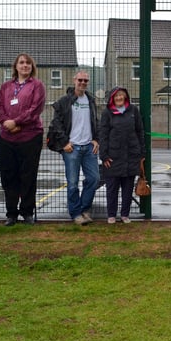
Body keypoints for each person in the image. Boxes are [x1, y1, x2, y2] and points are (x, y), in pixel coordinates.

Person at [0, 53, 46, 226]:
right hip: (7, 138)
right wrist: (6, 123)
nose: (25, 65)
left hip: (30, 137)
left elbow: (34, 109)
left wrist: (16, 122)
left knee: (28, 176)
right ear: (15, 66)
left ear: (32, 67)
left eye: (28, 63)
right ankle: (11, 214)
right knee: (9, 176)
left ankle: (27, 212)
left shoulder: (37, 86)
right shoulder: (5, 87)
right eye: (21, 63)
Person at [48, 70, 100, 225]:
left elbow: (95, 121)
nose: (83, 83)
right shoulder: (65, 101)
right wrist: (65, 143)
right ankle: (76, 213)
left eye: (85, 80)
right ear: (74, 80)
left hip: (89, 147)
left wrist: (96, 139)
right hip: (72, 148)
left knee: (94, 179)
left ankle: (84, 209)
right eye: (80, 80)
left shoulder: (90, 100)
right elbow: (56, 123)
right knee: (72, 183)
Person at [98, 86, 145, 224]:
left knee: (128, 188)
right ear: (112, 98)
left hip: (131, 155)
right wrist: (104, 155)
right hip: (113, 157)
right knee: (112, 188)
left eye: (121, 95)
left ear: (126, 96)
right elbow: (103, 134)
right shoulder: (107, 113)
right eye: (116, 96)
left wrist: (142, 152)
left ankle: (125, 214)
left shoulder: (133, 111)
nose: (119, 98)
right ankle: (111, 215)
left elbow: (139, 131)